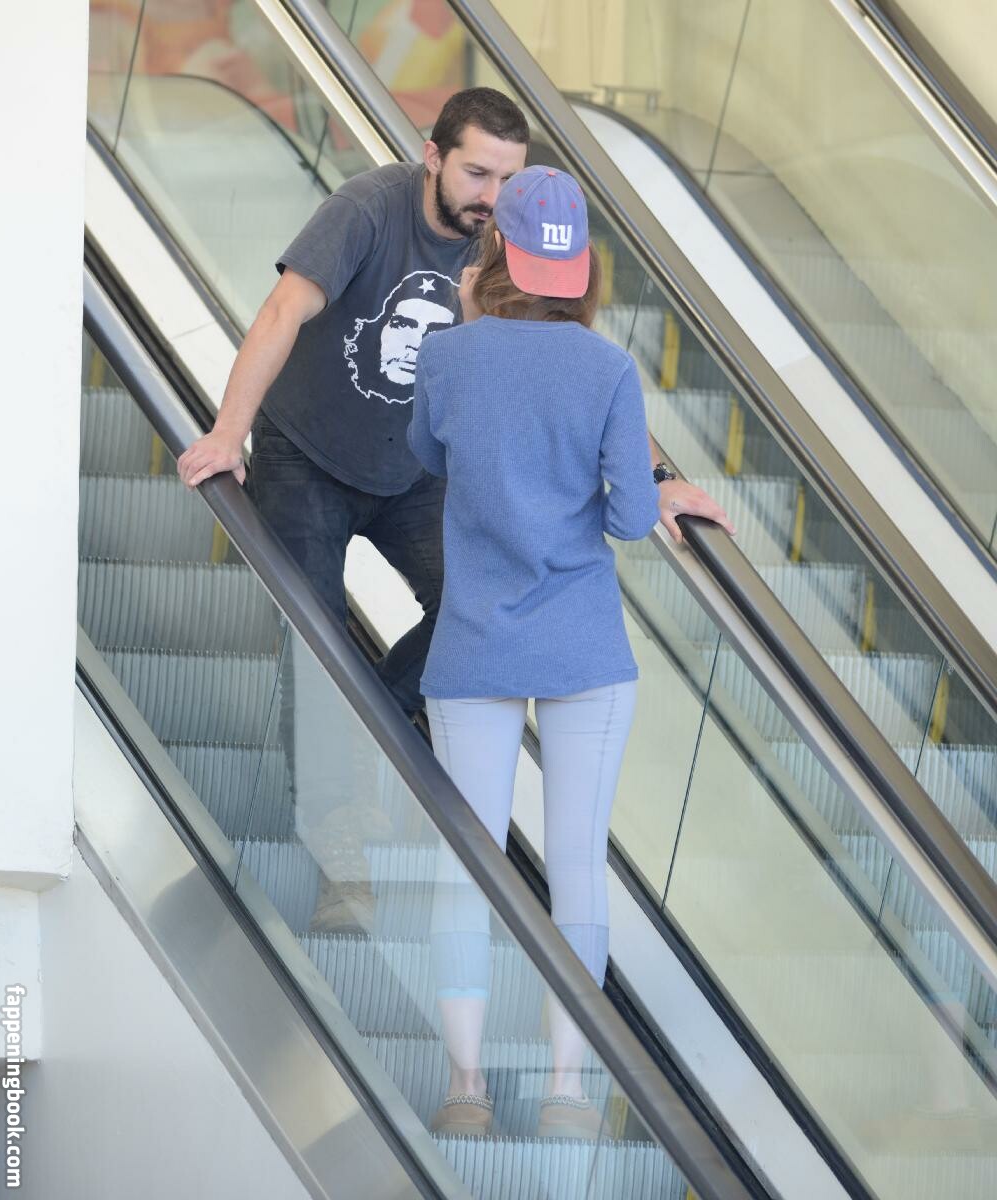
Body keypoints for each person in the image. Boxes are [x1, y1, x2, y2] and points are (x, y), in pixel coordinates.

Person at [407, 166, 735, 1139]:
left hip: (474, 647)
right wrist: (639, 485)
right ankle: (567, 1092)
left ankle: (466, 1088)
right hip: (584, 648)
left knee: (466, 867)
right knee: (579, 866)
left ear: (496, 252)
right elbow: (633, 519)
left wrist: (472, 318)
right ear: (577, 266)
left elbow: (429, 456)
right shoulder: (608, 369)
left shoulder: (448, 357)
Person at [176, 88, 529, 935]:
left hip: (413, 470)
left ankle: (364, 716)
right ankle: (341, 864)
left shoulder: (502, 242)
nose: (492, 196)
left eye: (509, 179)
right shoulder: (367, 208)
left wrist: (657, 475)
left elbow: (558, 356)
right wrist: (229, 432)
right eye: (477, 173)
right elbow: (283, 311)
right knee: (315, 637)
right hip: (306, 457)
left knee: (491, 598)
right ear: (433, 155)